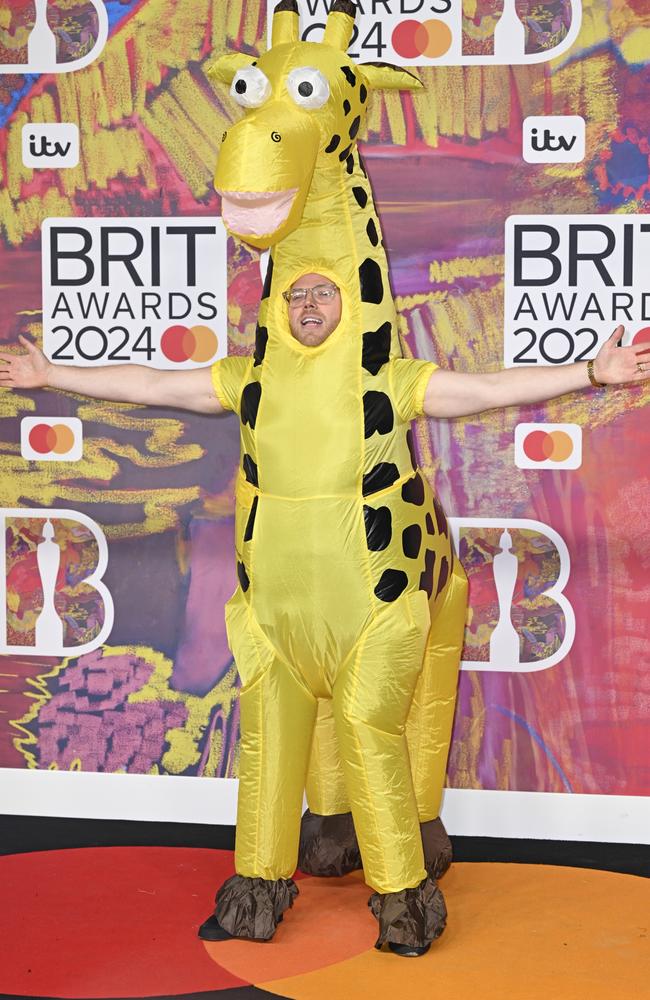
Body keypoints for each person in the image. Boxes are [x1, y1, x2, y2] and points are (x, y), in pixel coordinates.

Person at [2, 275, 649, 957]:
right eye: (297, 295)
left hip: (384, 602)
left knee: (375, 726)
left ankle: (405, 897)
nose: (308, 306)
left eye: (324, 293)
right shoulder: (252, 378)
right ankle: (261, 887)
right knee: (272, 740)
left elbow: (483, 391)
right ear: (280, 308)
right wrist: (51, 373)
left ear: (352, 302)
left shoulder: (387, 381)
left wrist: (591, 372)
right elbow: (156, 385)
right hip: (281, 608)